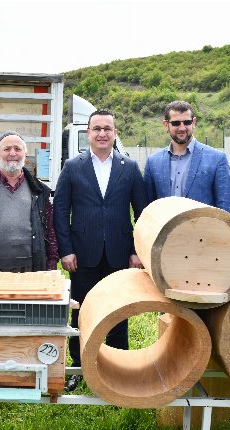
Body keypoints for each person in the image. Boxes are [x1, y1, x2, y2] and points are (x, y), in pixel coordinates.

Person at [54, 109, 148, 391]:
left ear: (115, 133)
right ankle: (79, 369)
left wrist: (137, 251)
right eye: (97, 128)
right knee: (81, 312)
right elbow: (60, 211)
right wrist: (66, 250)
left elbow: (141, 212)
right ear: (88, 134)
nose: (102, 133)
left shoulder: (129, 167)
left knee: (119, 311)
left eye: (107, 128)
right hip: (82, 256)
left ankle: (119, 367)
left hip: (120, 255)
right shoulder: (73, 166)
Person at [0, 131, 58, 272]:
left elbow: (51, 230)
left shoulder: (39, 190)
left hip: (31, 269)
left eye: (17, 149)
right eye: (7, 149)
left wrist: (52, 265)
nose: (12, 153)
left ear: (25, 153)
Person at [143, 100, 230, 212]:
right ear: (166, 125)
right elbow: (148, 210)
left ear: (194, 122)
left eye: (187, 122)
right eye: (176, 123)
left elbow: (226, 210)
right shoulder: (153, 163)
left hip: (203, 229)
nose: (182, 128)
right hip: (165, 229)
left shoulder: (217, 159)